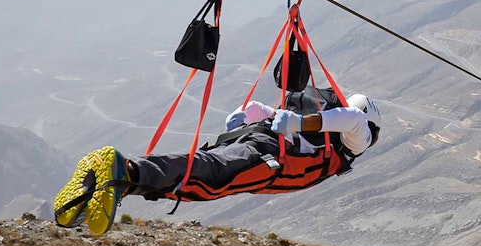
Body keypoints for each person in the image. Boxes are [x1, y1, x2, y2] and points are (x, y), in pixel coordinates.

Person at [53, 90, 381, 236]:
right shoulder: (355, 136)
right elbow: (353, 120)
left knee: (204, 169)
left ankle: (106, 185)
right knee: (208, 179)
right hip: (271, 157)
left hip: (263, 144)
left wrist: (247, 116)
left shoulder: (325, 131)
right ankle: (123, 172)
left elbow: (260, 110)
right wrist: (297, 125)